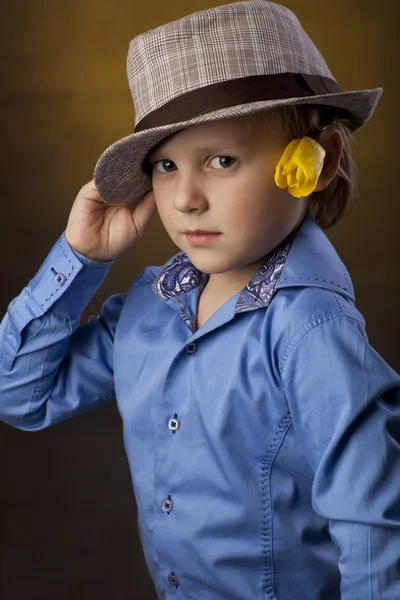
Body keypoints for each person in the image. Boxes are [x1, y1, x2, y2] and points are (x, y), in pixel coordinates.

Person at [1, 1, 399, 598]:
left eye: (222, 160)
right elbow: (20, 394)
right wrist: (81, 256)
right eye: (164, 165)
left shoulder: (312, 330)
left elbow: (375, 537)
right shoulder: (150, 307)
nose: (185, 198)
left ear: (314, 163)